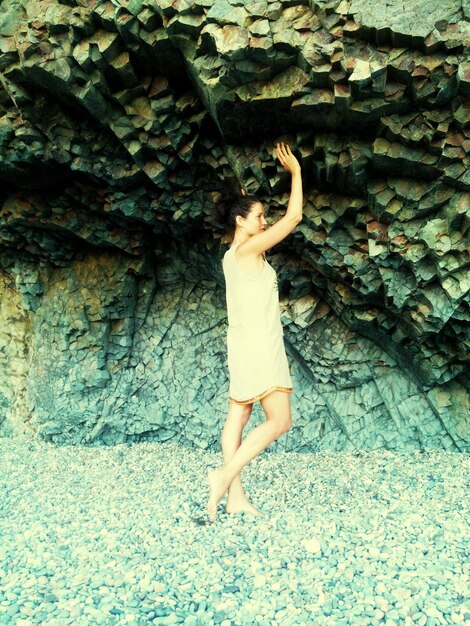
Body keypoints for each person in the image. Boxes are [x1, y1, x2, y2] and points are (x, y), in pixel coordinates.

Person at [207, 142, 303, 522]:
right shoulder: (248, 252)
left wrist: (245, 202)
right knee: (280, 421)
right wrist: (295, 173)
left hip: (241, 345)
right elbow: (293, 217)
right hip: (260, 346)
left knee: (239, 415)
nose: (265, 221)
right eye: (260, 216)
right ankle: (224, 475)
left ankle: (235, 498)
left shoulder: (234, 254)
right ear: (240, 222)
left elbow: (246, 214)